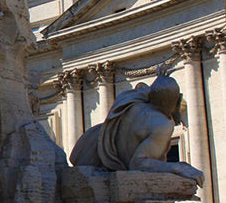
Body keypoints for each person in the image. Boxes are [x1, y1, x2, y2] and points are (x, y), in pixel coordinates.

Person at [70, 75, 204, 186]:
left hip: (86, 151)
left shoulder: (130, 100)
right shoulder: (162, 124)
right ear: (174, 103)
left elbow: (145, 89)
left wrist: (160, 79)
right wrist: (178, 167)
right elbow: (138, 162)